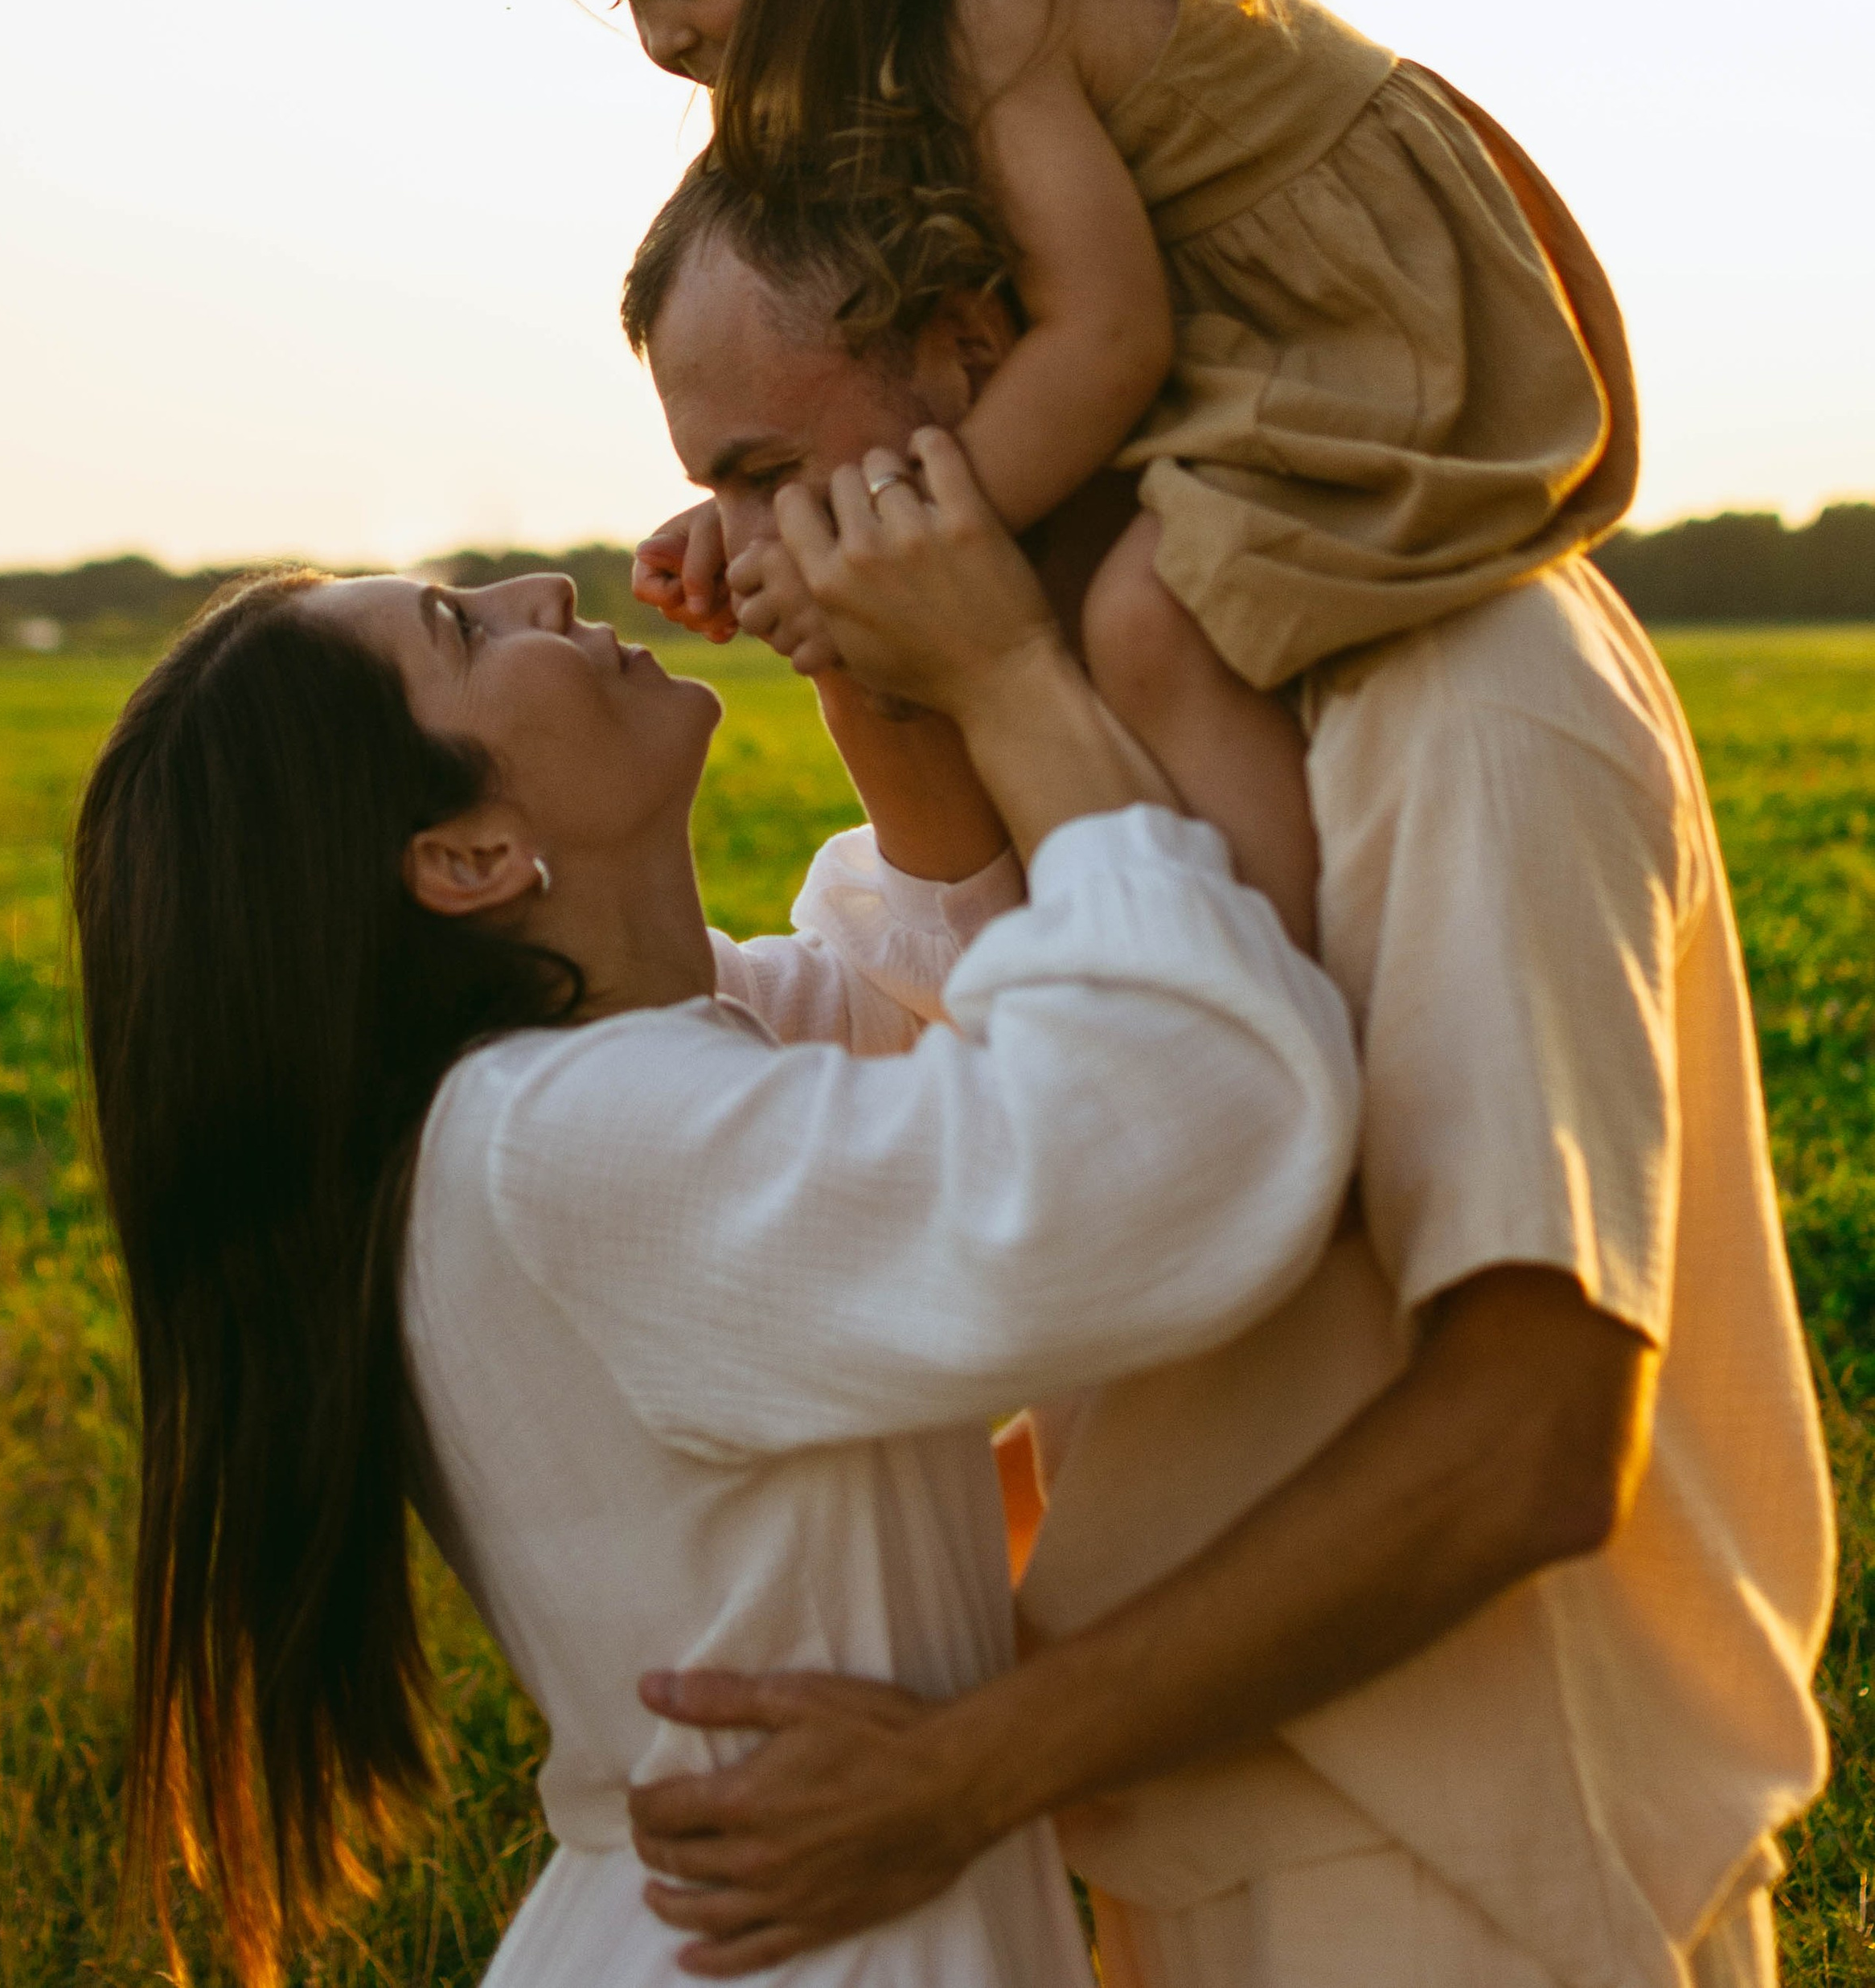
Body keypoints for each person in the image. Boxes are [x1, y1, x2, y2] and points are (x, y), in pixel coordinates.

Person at [611, 162, 1833, 1988]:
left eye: (769, 473)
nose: (738, 547)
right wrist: (893, 679)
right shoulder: (1103, 728)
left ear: (979, 348)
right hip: (1190, 1852)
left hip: (1465, 1879)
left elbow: (1524, 1440)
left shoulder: (1457, 681)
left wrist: (956, 1775)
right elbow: (1054, 1180)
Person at [72, 437, 1360, 1988]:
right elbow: (1182, 1134)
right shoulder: (568, 1146)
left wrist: (866, 653)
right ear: (470, 855)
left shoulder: (599, 1082)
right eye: (463, 632)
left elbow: (942, 1004)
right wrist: (1006, 666)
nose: (538, 583)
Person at [504, 0, 1638, 956]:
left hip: (1354, 326)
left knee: (1149, 614)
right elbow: (896, 376)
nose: (661, 36)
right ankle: (1111, 954)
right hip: (1243, 348)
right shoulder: (887, 60)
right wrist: (774, 513)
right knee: (1060, 599)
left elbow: (1104, 342)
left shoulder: (989, 16)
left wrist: (902, 542)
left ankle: (1265, 1001)